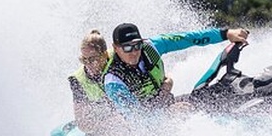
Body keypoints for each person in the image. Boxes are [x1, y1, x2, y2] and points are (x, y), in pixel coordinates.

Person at [103, 23, 250, 116]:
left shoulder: (151, 47)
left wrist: (225, 34)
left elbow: (188, 38)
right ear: (116, 48)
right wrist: (167, 113)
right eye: (127, 47)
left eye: (137, 45)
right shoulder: (114, 81)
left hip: (169, 105)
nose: (134, 52)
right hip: (146, 129)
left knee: (214, 97)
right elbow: (137, 119)